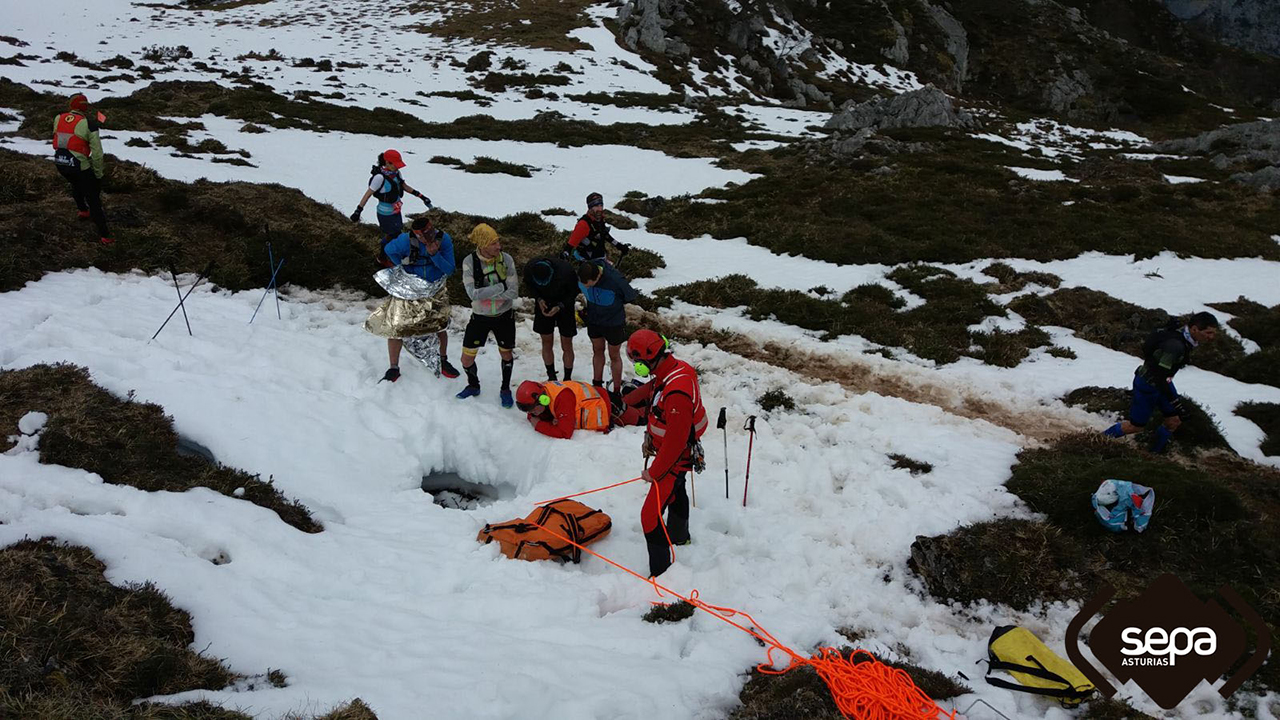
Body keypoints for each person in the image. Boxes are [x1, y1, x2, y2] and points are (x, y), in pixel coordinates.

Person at [626, 329, 708, 578]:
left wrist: (654, 472)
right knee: (677, 492)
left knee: (649, 517)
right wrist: (627, 400)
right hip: (672, 453)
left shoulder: (677, 392)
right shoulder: (673, 369)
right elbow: (653, 388)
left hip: (675, 457)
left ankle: (662, 574)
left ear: (652, 357)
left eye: (639, 364)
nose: (638, 368)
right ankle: (679, 537)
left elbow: (676, 440)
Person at [1103, 312, 1219, 452]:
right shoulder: (1175, 347)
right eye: (1208, 333)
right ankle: (1097, 440)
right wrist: (1174, 401)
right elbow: (1159, 376)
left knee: (1174, 421)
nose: (1211, 337)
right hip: (1148, 385)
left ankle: (1153, 455)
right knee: (1136, 426)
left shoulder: (1183, 335)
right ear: (1194, 329)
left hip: (1162, 382)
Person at [379, 217, 460, 382]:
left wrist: (435, 255)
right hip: (410, 288)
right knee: (396, 326)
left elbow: (450, 269)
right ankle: (393, 367)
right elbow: (389, 250)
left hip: (434, 288)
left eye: (430, 234)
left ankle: (442, 360)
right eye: (423, 236)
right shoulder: (405, 240)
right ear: (417, 236)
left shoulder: (443, 240)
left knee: (440, 325)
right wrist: (404, 266)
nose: (427, 238)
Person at [457, 223, 519, 407]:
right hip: (480, 317)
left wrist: (486, 293)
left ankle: (505, 388)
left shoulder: (506, 259)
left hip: (504, 316)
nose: (498, 247)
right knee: (466, 359)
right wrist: (501, 287)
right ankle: (473, 385)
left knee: (506, 354)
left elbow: (514, 292)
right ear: (482, 244)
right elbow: (472, 294)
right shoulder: (469, 262)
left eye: (498, 242)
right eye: (493, 243)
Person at [350, 149, 431, 260]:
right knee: (391, 235)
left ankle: (392, 254)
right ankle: (382, 258)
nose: (397, 167)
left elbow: (404, 186)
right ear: (387, 162)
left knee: (397, 233)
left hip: (396, 210)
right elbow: (368, 194)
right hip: (385, 213)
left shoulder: (396, 173)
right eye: (395, 164)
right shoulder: (379, 178)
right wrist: (358, 210)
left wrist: (421, 196)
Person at [52, 93, 111, 244]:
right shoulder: (90, 125)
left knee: (75, 183)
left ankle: (83, 211)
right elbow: (97, 154)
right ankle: (106, 236)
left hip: (60, 162)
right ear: (85, 107)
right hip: (79, 164)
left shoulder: (58, 118)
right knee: (93, 197)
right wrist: (98, 174)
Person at [578, 260, 638, 397]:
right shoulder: (583, 274)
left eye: (589, 285)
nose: (586, 288)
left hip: (613, 323)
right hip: (594, 319)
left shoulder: (615, 279)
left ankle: (617, 390)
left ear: (597, 277)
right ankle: (597, 384)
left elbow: (630, 295)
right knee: (597, 350)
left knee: (614, 355)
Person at [524, 257, 579, 381]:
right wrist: (538, 299)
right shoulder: (529, 268)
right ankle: (551, 376)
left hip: (565, 304)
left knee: (567, 343)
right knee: (546, 342)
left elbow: (574, 291)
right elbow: (529, 285)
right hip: (543, 303)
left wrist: (560, 306)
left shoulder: (566, 271)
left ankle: (567, 378)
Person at [515, 380, 611, 439]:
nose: (531, 413)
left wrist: (538, 425)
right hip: (598, 394)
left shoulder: (562, 399)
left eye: (532, 409)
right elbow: (532, 415)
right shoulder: (544, 391)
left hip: (606, 406)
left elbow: (565, 433)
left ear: (543, 400)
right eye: (526, 409)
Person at [565, 192, 629, 265]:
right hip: (588, 264)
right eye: (596, 206)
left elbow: (605, 235)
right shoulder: (583, 224)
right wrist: (566, 255)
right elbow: (570, 246)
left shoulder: (600, 220)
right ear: (590, 208)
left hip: (600, 259)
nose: (600, 209)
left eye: (601, 205)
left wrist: (619, 246)